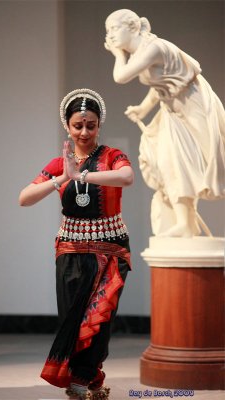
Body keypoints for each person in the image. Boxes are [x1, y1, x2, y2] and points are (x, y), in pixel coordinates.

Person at [19, 88, 134, 400]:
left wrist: (81, 176)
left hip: (111, 250)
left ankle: (80, 380)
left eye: (91, 125)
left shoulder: (111, 157)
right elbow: (24, 199)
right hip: (70, 250)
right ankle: (90, 378)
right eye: (78, 125)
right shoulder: (59, 162)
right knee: (73, 317)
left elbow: (126, 177)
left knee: (101, 317)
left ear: (99, 125)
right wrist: (62, 177)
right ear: (67, 126)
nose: (84, 132)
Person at [105, 9, 225, 238]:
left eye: (114, 28)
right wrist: (143, 108)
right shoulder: (145, 50)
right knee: (171, 161)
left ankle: (186, 222)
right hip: (172, 110)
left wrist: (118, 54)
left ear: (132, 27)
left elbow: (120, 76)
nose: (110, 35)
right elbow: (160, 86)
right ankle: (185, 223)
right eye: (107, 30)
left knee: (210, 159)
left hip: (192, 105)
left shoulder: (153, 48)